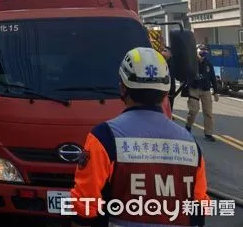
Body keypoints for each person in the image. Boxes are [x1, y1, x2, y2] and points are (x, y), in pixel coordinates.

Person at [69, 47, 210, 226]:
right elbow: (198, 209)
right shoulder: (191, 145)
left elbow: (84, 206)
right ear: (166, 92)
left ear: (122, 87)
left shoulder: (104, 137)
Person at [186, 44, 219, 141]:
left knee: (208, 112)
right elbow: (186, 75)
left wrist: (215, 92)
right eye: (201, 50)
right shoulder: (191, 63)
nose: (203, 52)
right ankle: (188, 127)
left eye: (205, 51)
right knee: (193, 110)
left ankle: (208, 133)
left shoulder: (208, 64)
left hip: (206, 90)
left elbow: (213, 78)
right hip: (194, 89)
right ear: (196, 51)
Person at [148, 29, 176, 110]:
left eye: (165, 51)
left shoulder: (172, 63)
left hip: (169, 92)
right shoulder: (154, 60)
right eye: (162, 50)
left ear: (170, 54)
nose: (163, 52)